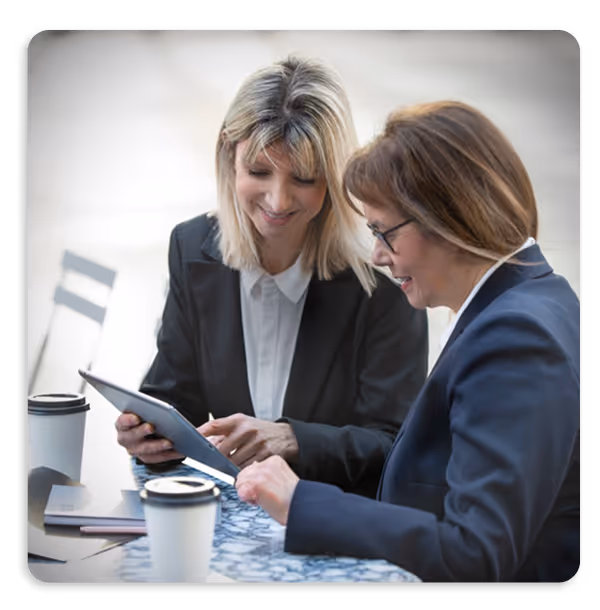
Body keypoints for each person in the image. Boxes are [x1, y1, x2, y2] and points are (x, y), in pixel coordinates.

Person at [234, 100, 581, 583]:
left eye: (383, 231)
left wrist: (304, 505)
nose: (376, 254)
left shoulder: (515, 338)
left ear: (448, 217)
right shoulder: (537, 298)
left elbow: (476, 553)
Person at [114, 56, 428, 496]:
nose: (278, 202)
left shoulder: (381, 278)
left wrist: (294, 439)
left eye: (304, 178)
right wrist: (145, 434)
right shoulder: (191, 248)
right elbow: (173, 395)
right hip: (224, 518)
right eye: (259, 171)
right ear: (230, 155)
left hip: (333, 521)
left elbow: (398, 444)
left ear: (335, 176)